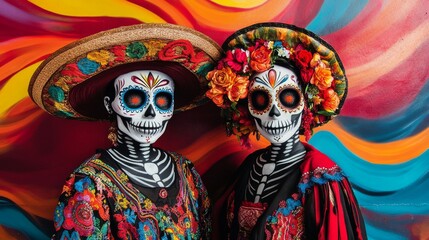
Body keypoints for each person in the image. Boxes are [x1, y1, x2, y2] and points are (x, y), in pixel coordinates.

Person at [28, 23, 222, 239]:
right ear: (110, 104)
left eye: (162, 100)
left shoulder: (185, 170)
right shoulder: (90, 183)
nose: (150, 114)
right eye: (135, 99)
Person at [205, 22, 367, 239]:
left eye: (288, 98)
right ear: (247, 108)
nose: (274, 113)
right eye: (261, 99)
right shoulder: (249, 166)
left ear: (306, 103)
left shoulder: (322, 179)